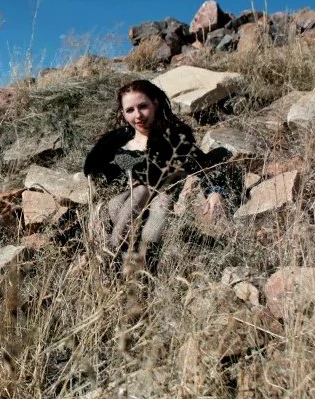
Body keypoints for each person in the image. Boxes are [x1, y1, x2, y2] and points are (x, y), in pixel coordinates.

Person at [83, 79, 230, 272]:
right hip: (123, 201)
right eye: (130, 110)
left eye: (143, 107)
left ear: (155, 104)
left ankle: (132, 266)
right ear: (123, 113)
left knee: (155, 217)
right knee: (138, 193)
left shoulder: (174, 138)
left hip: (161, 198)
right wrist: (123, 179)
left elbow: (204, 166)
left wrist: (215, 192)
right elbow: (92, 169)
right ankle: (111, 259)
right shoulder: (116, 142)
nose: (138, 115)